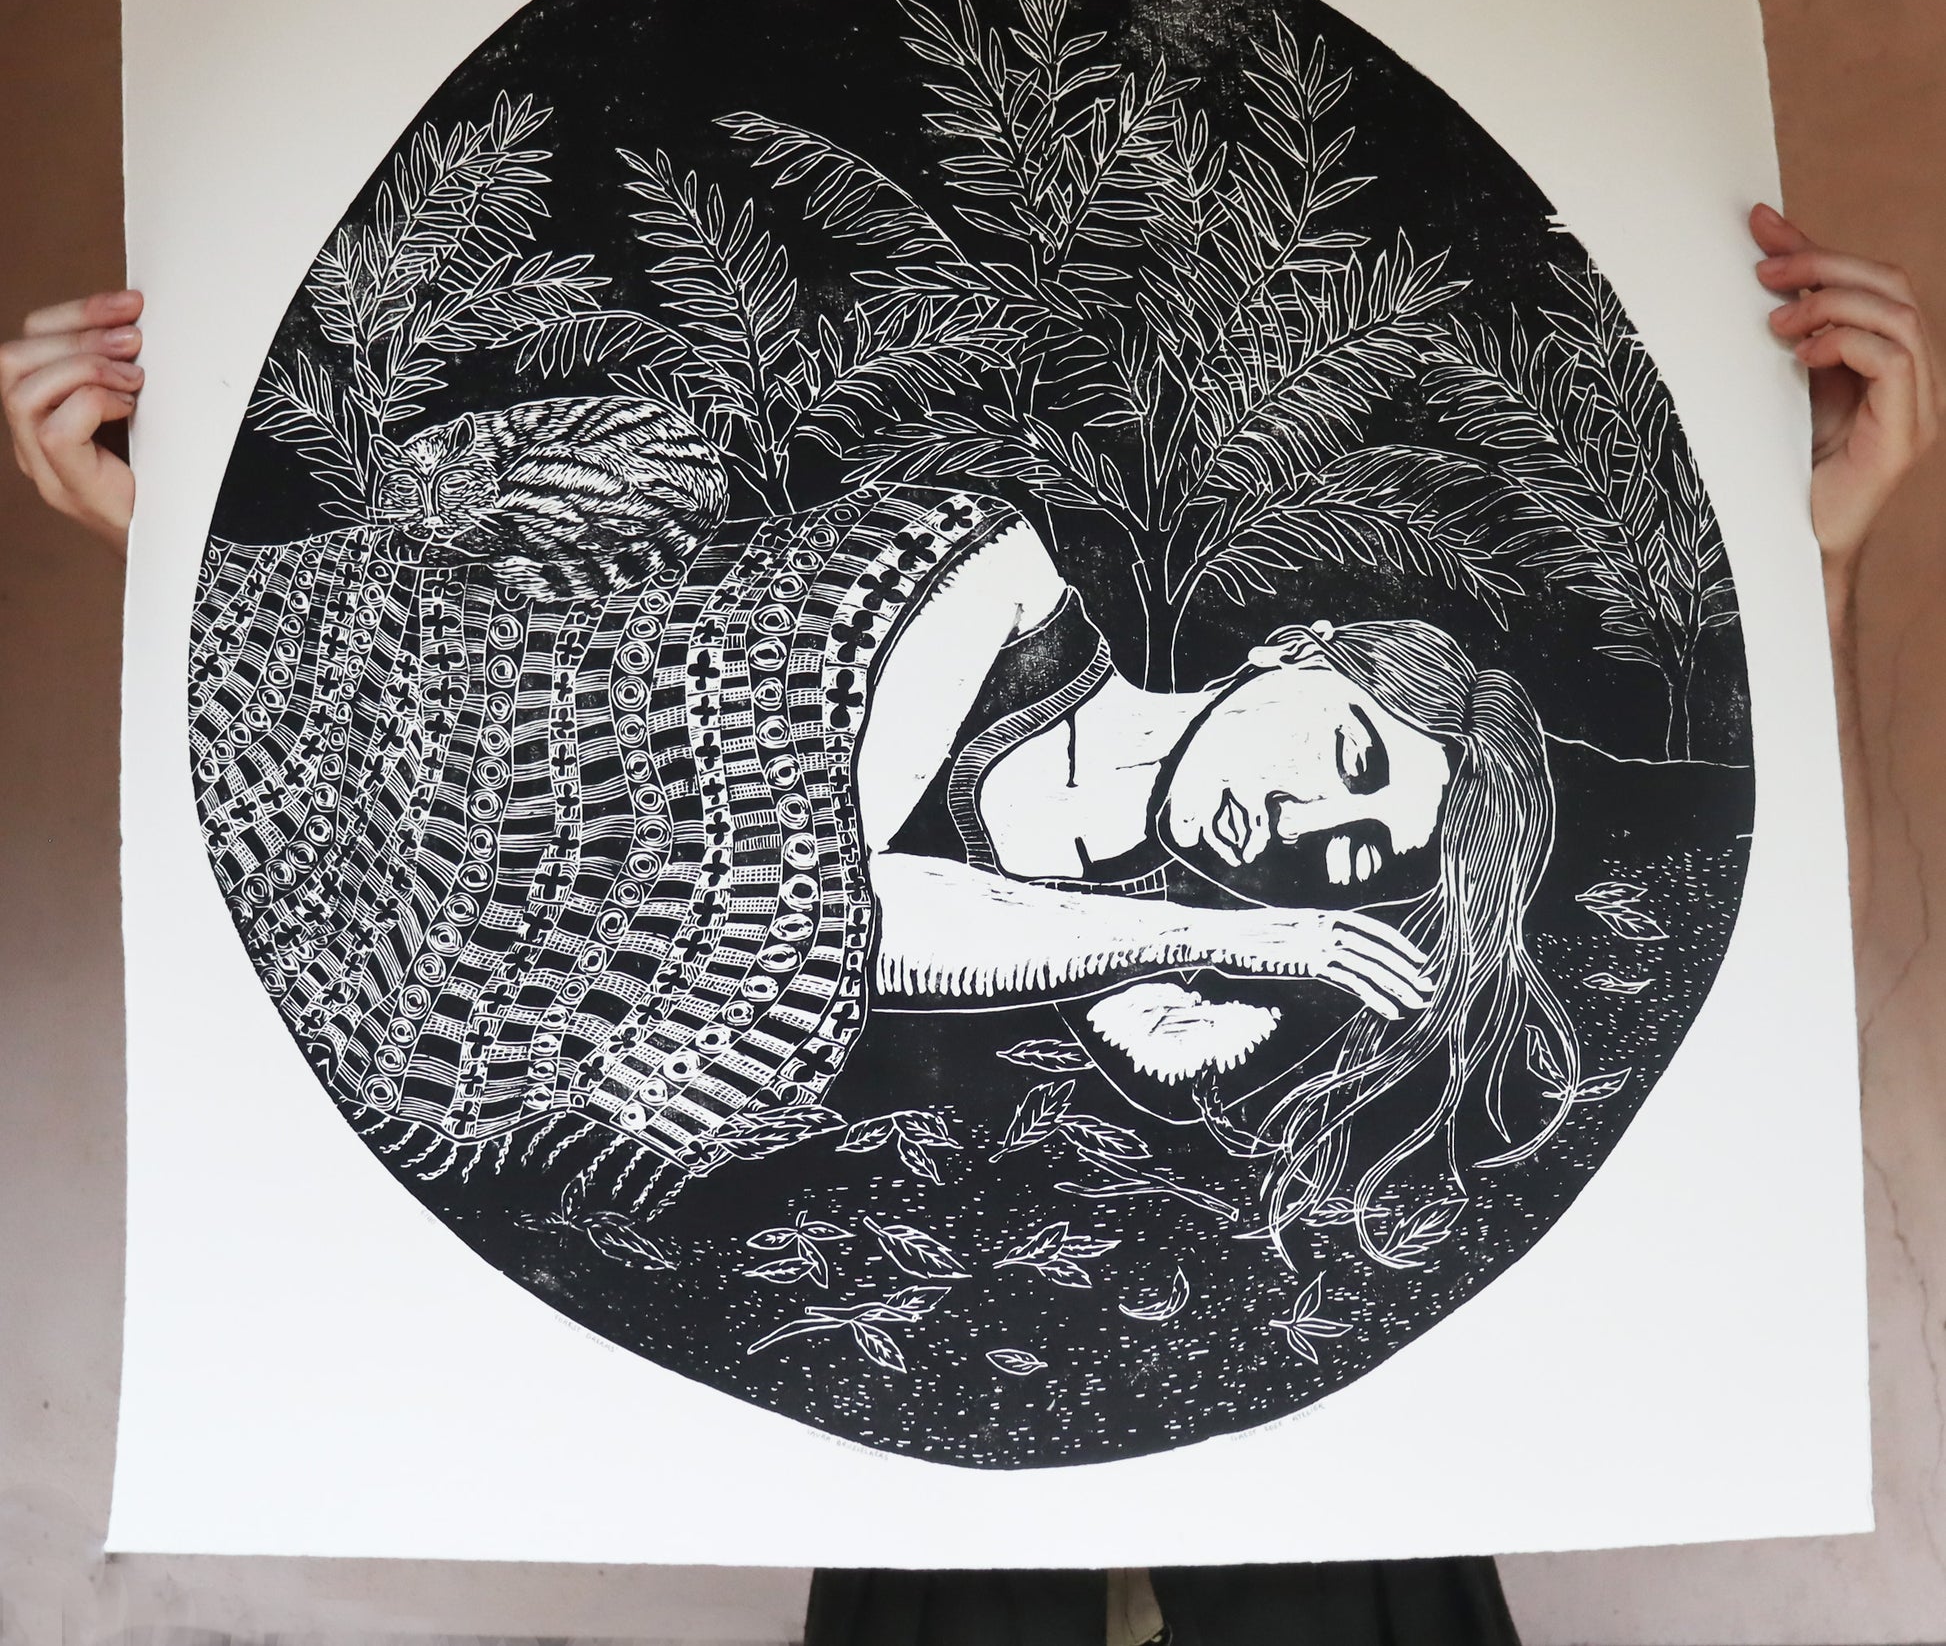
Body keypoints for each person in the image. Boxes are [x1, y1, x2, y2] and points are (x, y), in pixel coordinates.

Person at [8, 200, 1933, 1646]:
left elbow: (1679, 925)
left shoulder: (1176, 955)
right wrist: (149, 538)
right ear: (1300, 644)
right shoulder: (991, 583)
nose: (1306, 836)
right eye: (1348, 756)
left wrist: (1811, 565)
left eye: (1353, 859)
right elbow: (821, 912)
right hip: (443, 819)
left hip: (1226, 1520)